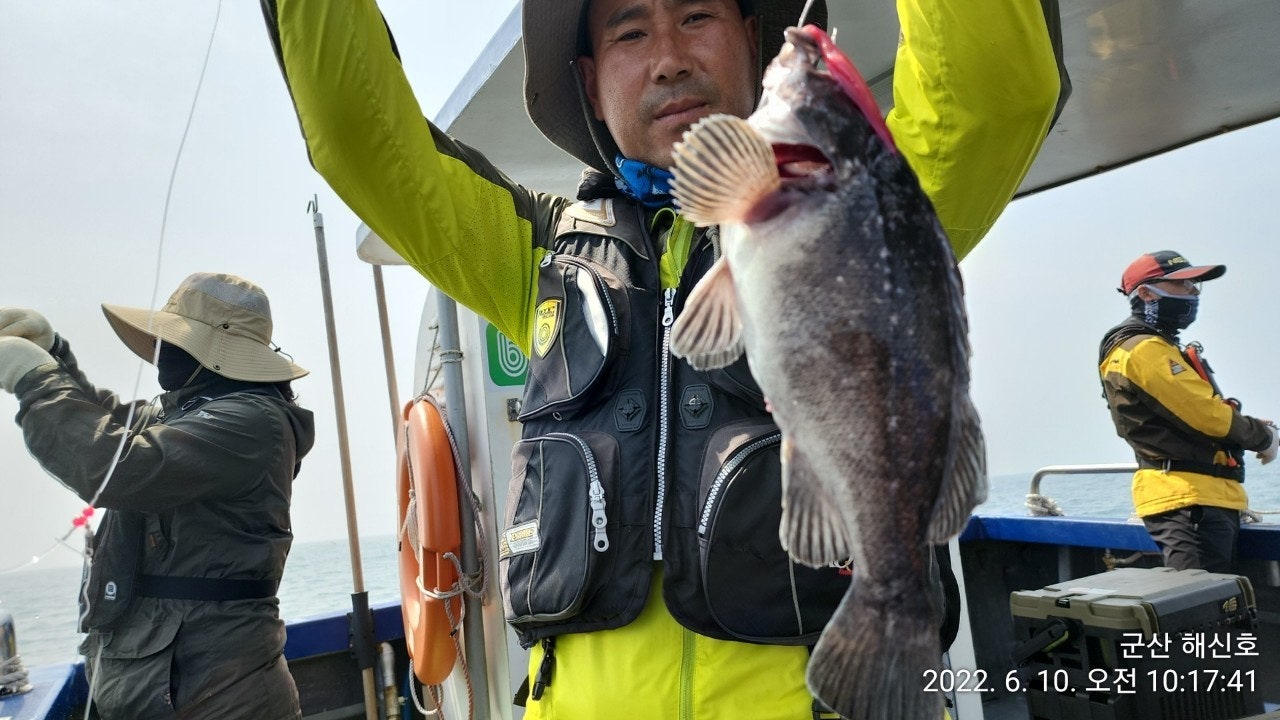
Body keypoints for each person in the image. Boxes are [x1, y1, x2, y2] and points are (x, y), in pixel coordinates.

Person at [261, 0, 1064, 716]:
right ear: (589, 76)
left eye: (696, 16)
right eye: (630, 31)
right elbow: (360, 138)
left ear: (751, 39)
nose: (669, 56)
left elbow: (995, 95)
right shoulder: (536, 256)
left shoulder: (856, 201)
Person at [0, 272, 315, 720]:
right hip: (171, 691)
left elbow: (113, 464)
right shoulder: (193, 410)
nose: (161, 352)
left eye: (175, 342)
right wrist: (56, 357)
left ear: (212, 353)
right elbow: (110, 421)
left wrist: (33, 380)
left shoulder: (250, 422)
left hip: (220, 698)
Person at [1099, 251, 1278, 574]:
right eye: (1183, 285)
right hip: (1186, 500)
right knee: (1202, 614)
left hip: (1200, 497)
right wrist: (1263, 437)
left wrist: (1242, 425)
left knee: (1214, 608)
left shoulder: (1154, 346)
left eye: (1196, 285)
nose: (1194, 293)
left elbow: (1188, 412)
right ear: (1146, 293)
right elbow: (1207, 415)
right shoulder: (1144, 349)